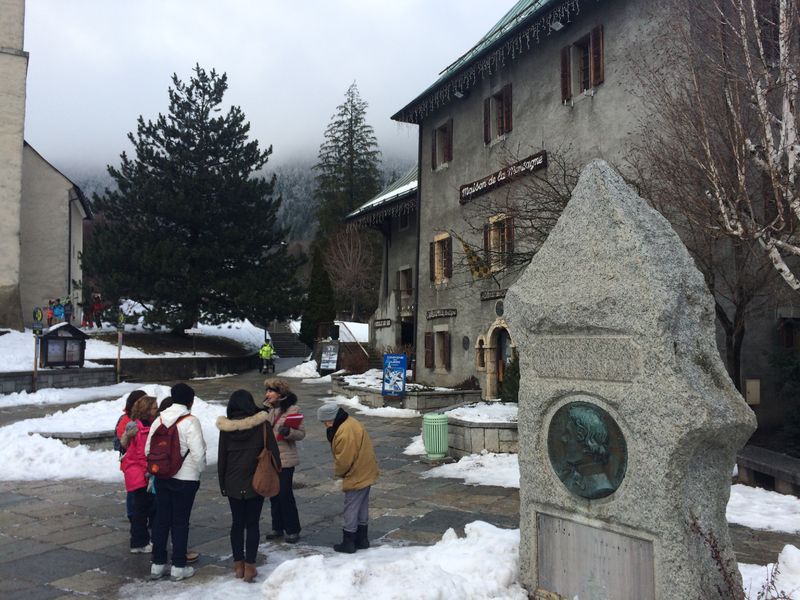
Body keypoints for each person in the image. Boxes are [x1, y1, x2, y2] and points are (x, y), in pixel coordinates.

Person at [216, 389, 281, 582]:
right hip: (256, 481)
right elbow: (274, 453)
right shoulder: (262, 425)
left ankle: (238, 565)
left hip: (233, 482)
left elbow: (222, 459)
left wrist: (223, 485)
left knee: (237, 523)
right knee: (252, 524)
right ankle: (250, 566)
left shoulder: (226, 429)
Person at [145, 383, 206, 581]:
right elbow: (198, 453)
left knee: (161, 520)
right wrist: (199, 470)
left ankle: (157, 565)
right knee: (180, 522)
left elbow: (148, 450)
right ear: (190, 401)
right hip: (186, 479)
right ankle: (178, 566)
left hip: (162, 477)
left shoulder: (159, 419)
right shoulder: (190, 421)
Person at [317, 403, 379, 553]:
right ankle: (362, 540)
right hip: (366, 468)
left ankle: (349, 542)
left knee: (351, 507)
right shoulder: (349, 421)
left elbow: (344, 460)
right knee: (361, 505)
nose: (325, 425)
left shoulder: (344, 432)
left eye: (325, 421)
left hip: (356, 472)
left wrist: (340, 473)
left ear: (331, 418)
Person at [262, 378, 305, 543]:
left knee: (285, 494)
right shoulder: (267, 410)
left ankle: (293, 529)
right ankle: (277, 527)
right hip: (270, 458)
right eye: (267, 391)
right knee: (273, 493)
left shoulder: (293, 409)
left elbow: (301, 434)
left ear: (280, 393)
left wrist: (288, 432)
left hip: (285, 458)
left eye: (271, 391)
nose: (267, 394)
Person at [121, 395, 158, 553]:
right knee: (142, 510)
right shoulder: (141, 430)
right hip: (140, 474)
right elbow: (143, 454)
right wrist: (148, 472)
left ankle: (138, 542)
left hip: (135, 472)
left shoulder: (138, 426)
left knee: (140, 509)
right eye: (155, 407)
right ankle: (140, 542)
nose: (157, 410)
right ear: (147, 410)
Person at [117, 390, 148, 521]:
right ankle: (132, 516)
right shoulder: (126, 420)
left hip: (141, 462)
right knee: (133, 491)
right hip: (131, 462)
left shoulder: (144, 418)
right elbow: (125, 443)